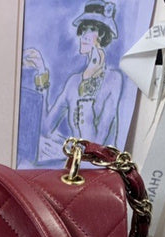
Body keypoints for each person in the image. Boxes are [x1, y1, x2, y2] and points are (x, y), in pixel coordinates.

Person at [23, 2, 123, 163]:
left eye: (92, 29)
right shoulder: (73, 82)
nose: (84, 36)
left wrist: (88, 81)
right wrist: (41, 71)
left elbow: (95, 146)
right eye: (83, 29)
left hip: (97, 168)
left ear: (103, 35)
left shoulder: (114, 79)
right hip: (74, 163)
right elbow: (46, 128)